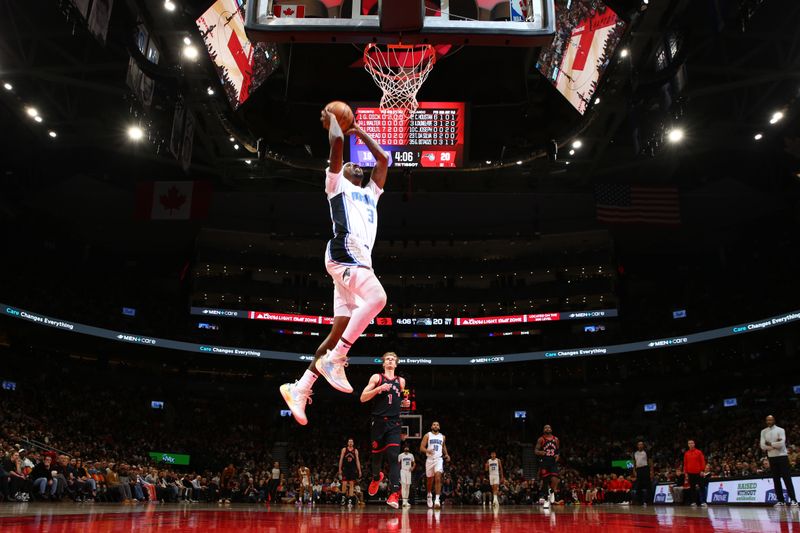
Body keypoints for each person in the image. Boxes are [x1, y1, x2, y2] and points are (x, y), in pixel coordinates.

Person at [280, 108, 390, 426]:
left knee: (337, 331)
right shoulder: (336, 185)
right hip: (344, 254)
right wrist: (333, 120)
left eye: (359, 165)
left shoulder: (371, 193)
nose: (356, 165)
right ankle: (338, 358)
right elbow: (337, 146)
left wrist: (359, 130)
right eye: (350, 164)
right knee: (378, 299)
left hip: (356, 263)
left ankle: (299, 388)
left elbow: (383, 160)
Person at [360, 352, 410, 509]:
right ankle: (376, 478)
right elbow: (362, 398)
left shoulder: (401, 381)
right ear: (383, 364)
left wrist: (405, 405)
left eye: (393, 359)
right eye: (387, 359)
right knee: (377, 461)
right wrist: (378, 389)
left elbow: (398, 402)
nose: (390, 361)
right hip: (378, 423)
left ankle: (394, 494)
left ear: (396, 364)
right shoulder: (377, 378)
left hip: (394, 423)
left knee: (393, 457)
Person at [760, 414, 799, 506]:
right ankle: (780, 501)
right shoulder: (763, 432)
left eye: (771, 420)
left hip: (782, 457)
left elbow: (781, 444)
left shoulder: (781, 430)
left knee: (787, 479)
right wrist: (774, 444)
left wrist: (769, 444)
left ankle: (793, 500)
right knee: (776, 480)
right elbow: (762, 446)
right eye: (767, 420)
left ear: (774, 420)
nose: (769, 421)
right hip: (771, 458)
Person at [420, 421, 450, 509]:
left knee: (438, 477)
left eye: (437, 425)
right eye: (434, 424)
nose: (435, 426)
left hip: (438, 459)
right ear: (431, 426)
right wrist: (427, 451)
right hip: (429, 459)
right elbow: (421, 447)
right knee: (429, 480)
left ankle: (437, 500)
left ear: (439, 427)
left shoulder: (442, 437)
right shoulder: (427, 435)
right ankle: (429, 494)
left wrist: (447, 454)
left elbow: (443, 446)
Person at [535, 424, 560, 509]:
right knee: (545, 482)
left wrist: (557, 455)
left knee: (555, 479)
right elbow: (536, 450)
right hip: (544, 462)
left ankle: (552, 492)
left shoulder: (556, 439)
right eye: (545, 427)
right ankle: (546, 501)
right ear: (543, 430)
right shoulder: (541, 439)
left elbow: (558, 451)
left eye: (549, 427)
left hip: (553, 462)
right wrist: (540, 452)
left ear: (551, 429)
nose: (547, 428)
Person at [683, 440, 707, 507]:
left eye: (692, 443)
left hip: (699, 473)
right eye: (689, 443)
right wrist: (686, 473)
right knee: (692, 488)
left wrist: (702, 470)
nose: (690, 444)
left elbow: (702, 461)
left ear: (694, 444)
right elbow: (685, 463)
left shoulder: (699, 452)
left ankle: (703, 502)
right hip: (690, 473)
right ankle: (694, 502)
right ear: (688, 445)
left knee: (702, 487)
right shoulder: (686, 453)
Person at [339, 438, 362, 507]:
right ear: (347, 443)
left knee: (352, 484)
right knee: (344, 483)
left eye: (352, 442)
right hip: (345, 469)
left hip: (352, 469)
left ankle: (350, 500)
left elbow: (357, 461)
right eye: (349, 442)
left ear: (353, 443)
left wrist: (359, 470)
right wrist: (340, 469)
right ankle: (343, 499)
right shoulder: (344, 449)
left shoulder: (355, 451)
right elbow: (341, 459)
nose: (350, 443)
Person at [633, 441, 653, 506]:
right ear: (637, 446)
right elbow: (634, 462)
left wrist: (651, 471)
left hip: (645, 469)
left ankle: (649, 501)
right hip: (638, 469)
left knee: (648, 485)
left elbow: (650, 461)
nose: (640, 446)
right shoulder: (635, 453)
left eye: (641, 444)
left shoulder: (646, 452)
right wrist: (634, 471)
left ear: (643, 446)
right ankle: (639, 501)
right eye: (639, 444)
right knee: (638, 486)